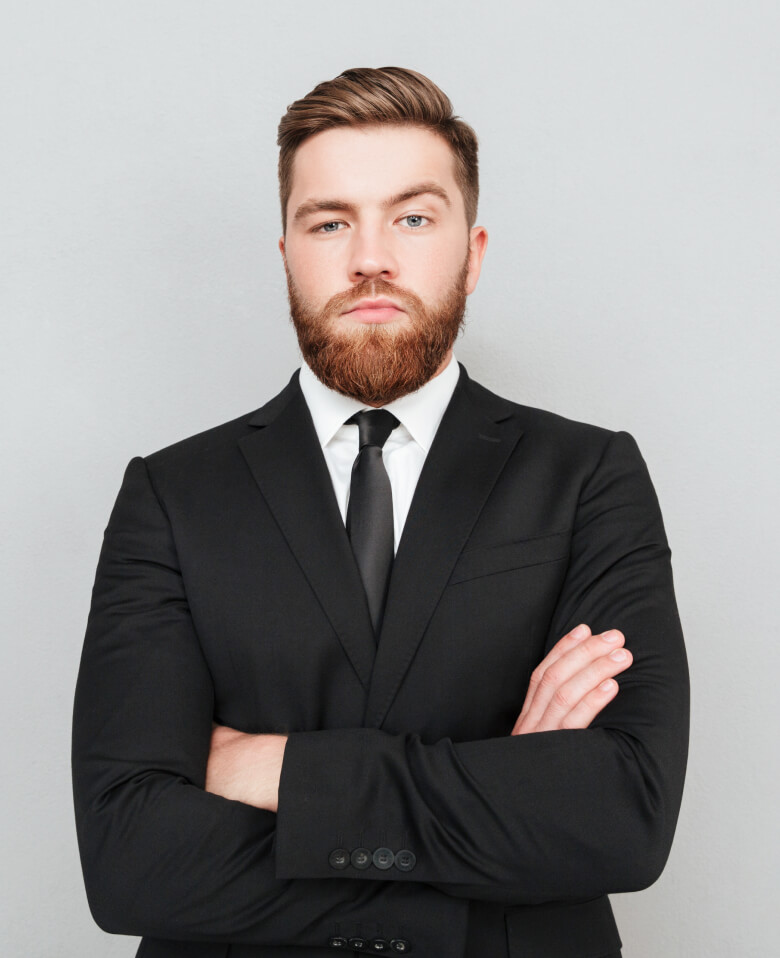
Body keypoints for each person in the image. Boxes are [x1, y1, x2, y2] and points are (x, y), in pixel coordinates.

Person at [72, 67, 689, 958]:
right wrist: (504, 798)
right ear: (287, 252)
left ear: (473, 252)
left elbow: (622, 815)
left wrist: (276, 769)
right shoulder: (170, 496)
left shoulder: (589, 476)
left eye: (413, 218)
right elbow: (130, 859)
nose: (370, 258)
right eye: (330, 222)